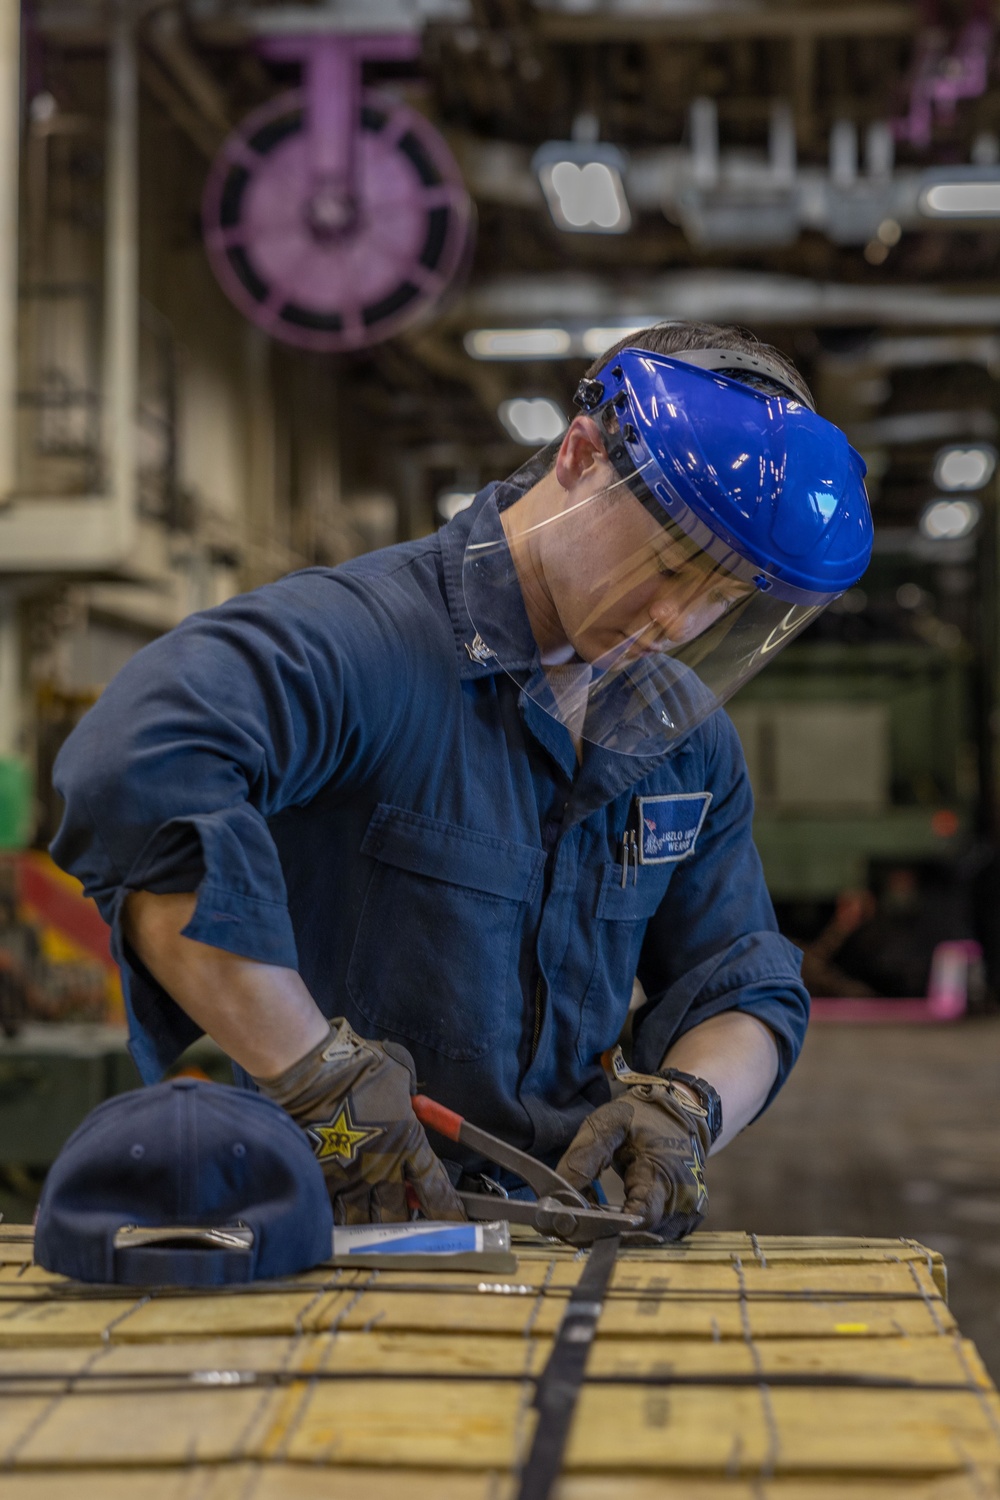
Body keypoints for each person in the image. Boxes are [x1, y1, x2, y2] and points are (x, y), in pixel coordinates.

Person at [50, 321, 872, 1236]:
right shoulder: (370, 644)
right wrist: (313, 1076)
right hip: (334, 1228)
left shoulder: (683, 743)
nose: (675, 618)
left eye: (721, 596)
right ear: (581, 454)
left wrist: (689, 1105)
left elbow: (741, 982)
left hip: (560, 1242)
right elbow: (133, 768)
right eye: (666, 565)